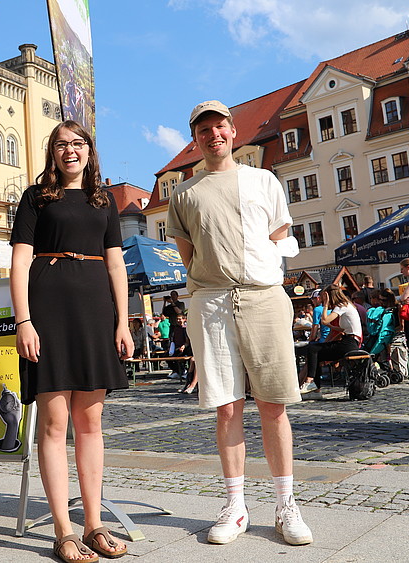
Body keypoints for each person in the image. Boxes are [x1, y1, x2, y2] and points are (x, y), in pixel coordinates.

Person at [167, 100, 312, 547]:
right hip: (210, 303)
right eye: (204, 130)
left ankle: (286, 503)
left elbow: (280, 236)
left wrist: (261, 266)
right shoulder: (184, 194)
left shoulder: (263, 179)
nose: (213, 135)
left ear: (233, 131)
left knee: (274, 403)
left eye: (220, 127)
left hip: (263, 297)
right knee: (227, 406)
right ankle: (236, 506)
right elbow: (189, 257)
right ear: (196, 139)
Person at [9, 120, 132, 562]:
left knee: (91, 424)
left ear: (89, 150)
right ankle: (63, 530)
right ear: (52, 153)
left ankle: (94, 524)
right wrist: (23, 320)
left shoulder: (105, 199)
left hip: (95, 313)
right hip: (47, 312)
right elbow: (20, 262)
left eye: (77, 143)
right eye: (61, 145)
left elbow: (116, 265)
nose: (70, 150)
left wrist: (123, 322)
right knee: (54, 424)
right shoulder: (37, 197)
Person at [297, 285, 362, 394]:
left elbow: (325, 321)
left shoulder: (341, 306)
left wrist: (326, 305)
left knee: (313, 349)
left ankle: (310, 381)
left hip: (349, 343)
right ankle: (315, 388)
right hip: (350, 341)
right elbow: (345, 328)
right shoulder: (348, 305)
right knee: (316, 353)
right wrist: (333, 328)